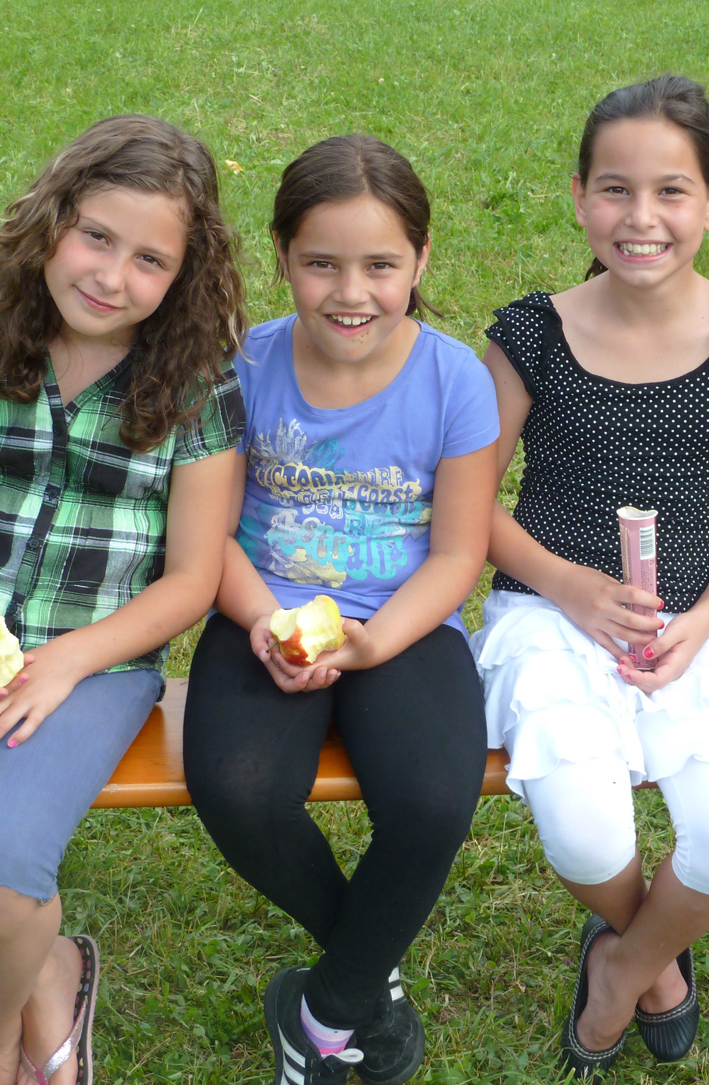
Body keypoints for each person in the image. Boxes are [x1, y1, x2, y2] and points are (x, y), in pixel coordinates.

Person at [0, 115, 245, 1085]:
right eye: (95, 236)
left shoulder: (197, 385)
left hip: (95, 665)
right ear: (52, 221)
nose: (111, 276)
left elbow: (192, 578)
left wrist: (66, 662)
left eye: (150, 259)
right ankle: (48, 968)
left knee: (0, 876)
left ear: (185, 274)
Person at [472, 75, 709, 1079]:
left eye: (671, 191)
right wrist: (566, 584)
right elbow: (468, 504)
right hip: (547, 614)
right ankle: (655, 965)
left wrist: (704, 620)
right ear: (579, 198)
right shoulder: (530, 334)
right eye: (614, 189)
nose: (640, 217)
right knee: (582, 829)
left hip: (690, 624)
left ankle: (619, 967)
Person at [180, 134, 500, 1085]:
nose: (349, 292)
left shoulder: (454, 379)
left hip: (403, 619)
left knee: (432, 802)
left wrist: (374, 642)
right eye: (321, 263)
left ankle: (322, 1008)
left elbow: (458, 553)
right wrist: (262, 622)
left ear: (421, 261)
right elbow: (211, 536)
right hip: (260, 607)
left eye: (380, 266)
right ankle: (368, 976)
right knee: (239, 790)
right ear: (282, 256)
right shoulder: (241, 365)